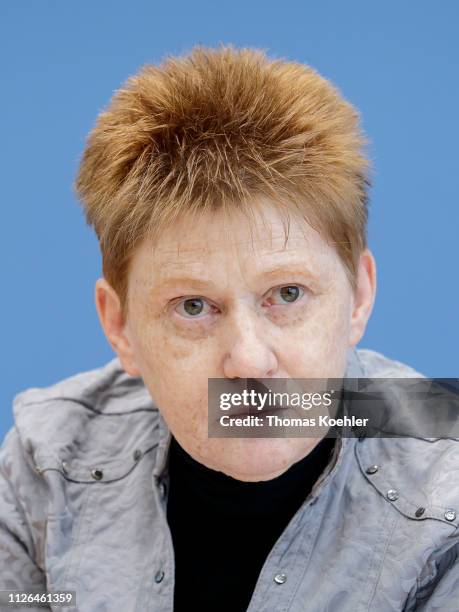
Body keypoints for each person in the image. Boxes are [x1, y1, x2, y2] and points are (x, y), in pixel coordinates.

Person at [1, 44, 458, 612]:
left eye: (287, 295)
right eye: (193, 306)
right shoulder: (45, 463)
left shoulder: (449, 489)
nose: (247, 362)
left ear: (359, 295)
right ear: (119, 325)